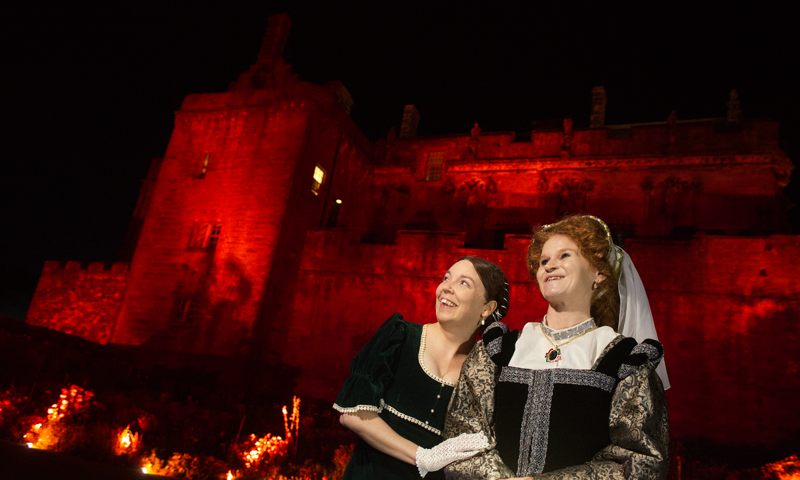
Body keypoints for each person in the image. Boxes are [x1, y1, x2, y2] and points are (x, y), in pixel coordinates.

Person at [444, 215, 670, 479]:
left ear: (599, 273)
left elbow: (640, 462)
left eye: (565, 256)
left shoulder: (624, 362)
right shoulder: (498, 350)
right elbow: (462, 433)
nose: (550, 265)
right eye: (544, 261)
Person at [334, 256, 511, 479]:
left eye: (463, 283)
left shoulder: (485, 372)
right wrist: (422, 457)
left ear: (487, 307)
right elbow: (352, 414)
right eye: (446, 278)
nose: (446, 287)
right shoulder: (399, 337)